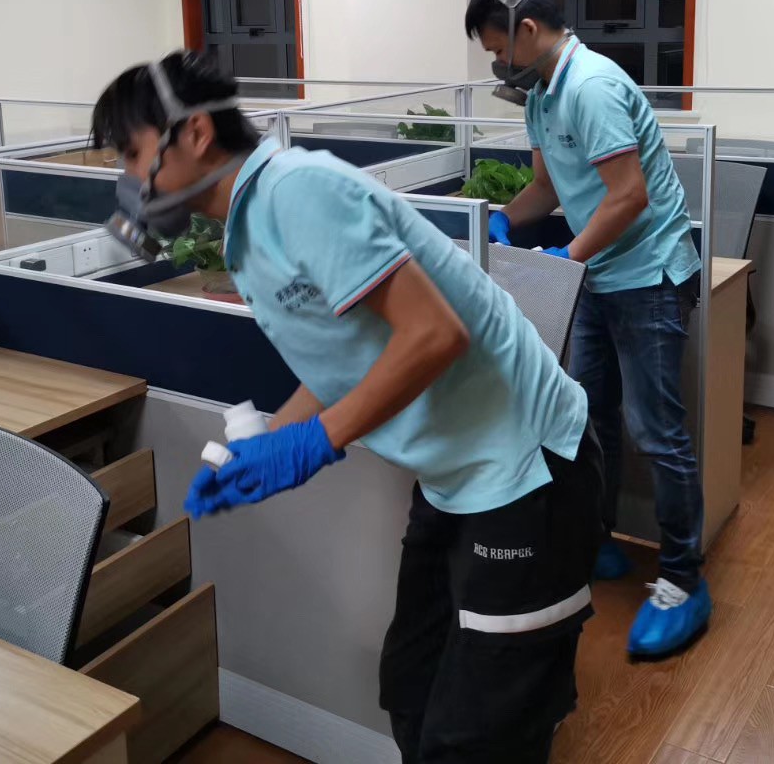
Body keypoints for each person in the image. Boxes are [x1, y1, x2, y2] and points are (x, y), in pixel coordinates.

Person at [92, 51, 603, 763]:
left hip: (528, 466)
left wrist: (312, 445)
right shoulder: (248, 230)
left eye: (131, 154)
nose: (126, 180)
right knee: (411, 687)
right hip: (455, 476)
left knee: (480, 734)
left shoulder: (299, 192)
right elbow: (347, 361)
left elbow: (436, 335)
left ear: (196, 134)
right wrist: (268, 447)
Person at [464, 0, 710, 658]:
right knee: (589, 415)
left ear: (528, 31)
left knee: (656, 432)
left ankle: (683, 580)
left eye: (498, 51)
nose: (497, 65)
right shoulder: (543, 94)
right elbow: (547, 187)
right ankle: (596, 541)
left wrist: (567, 256)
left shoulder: (592, 86)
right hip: (599, 275)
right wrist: (499, 223)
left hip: (648, 275)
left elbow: (629, 196)